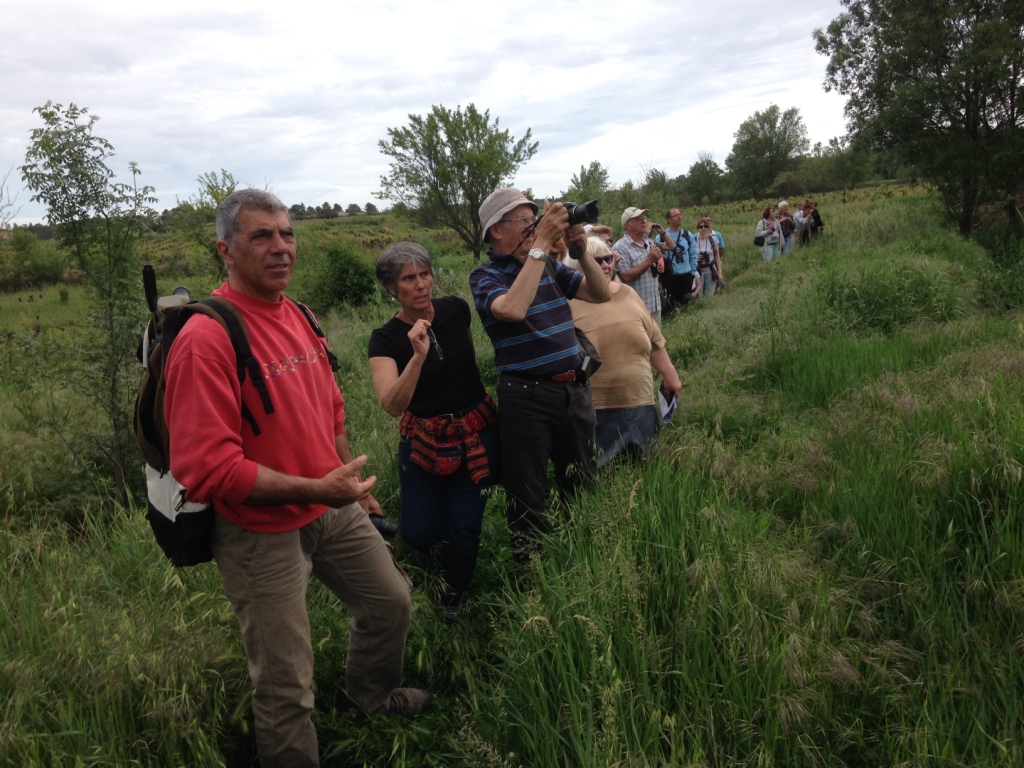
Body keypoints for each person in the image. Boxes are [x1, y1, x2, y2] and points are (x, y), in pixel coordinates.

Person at [164, 189, 429, 768]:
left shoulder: (300, 313)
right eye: (262, 235)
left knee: (390, 603)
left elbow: (330, 406)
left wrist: (346, 483)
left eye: (286, 233)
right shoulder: (206, 338)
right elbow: (206, 468)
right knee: (286, 685)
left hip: (333, 504)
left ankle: (369, 696)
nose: (281, 246)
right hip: (259, 532)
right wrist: (318, 489)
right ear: (225, 250)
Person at [468, 188, 611, 563]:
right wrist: (544, 241)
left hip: (574, 391)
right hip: (526, 398)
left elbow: (601, 295)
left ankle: (582, 561)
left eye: (536, 219)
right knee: (528, 495)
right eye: (524, 221)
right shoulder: (484, 276)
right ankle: (531, 580)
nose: (533, 227)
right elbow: (512, 309)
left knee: (581, 484)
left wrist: (580, 251)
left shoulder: (546, 263)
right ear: (496, 231)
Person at [368, 242, 499, 612]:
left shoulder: (456, 309)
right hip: (423, 440)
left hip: (475, 433)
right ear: (392, 288)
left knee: (466, 527)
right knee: (419, 533)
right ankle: (429, 554)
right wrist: (417, 358)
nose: (421, 284)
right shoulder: (385, 338)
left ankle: (452, 599)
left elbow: (469, 364)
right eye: (409, 278)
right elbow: (392, 405)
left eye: (425, 273)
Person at [565, 238, 683, 466]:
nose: (604, 265)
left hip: (641, 404)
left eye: (607, 259)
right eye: (595, 260)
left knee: (646, 474)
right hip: (596, 410)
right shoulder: (567, 303)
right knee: (603, 480)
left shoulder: (628, 294)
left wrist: (671, 376)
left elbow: (655, 341)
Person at [613, 207, 668, 323]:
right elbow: (626, 276)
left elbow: (655, 261)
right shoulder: (620, 247)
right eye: (638, 219)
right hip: (637, 308)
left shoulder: (649, 242)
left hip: (655, 304)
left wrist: (658, 265)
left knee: (657, 341)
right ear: (627, 225)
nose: (644, 221)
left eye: (644, 218)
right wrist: (649, 261)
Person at [656, 208, 700, 307]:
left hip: (686, 276)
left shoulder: (687, 235)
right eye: (675, 215)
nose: (679, 217)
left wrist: (692, 273)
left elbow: (693, 255)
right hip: (668, 277)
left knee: (685, 306)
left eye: (680, 214)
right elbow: (658, 257)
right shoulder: (660, 237)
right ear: (668, 220)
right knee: (670, 306)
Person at [693, 216, 722, 296]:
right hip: (697, 270)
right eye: (700, 227)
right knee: (699, 295)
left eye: (705, 226)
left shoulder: (713, 240)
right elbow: (688, 256)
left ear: (708, 228)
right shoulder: (693, 240)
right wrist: (695, 258)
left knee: (709, 295)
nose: (703, 229)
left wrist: (720, 272)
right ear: (697, 228)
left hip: (710, 269)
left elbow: (717, 257)